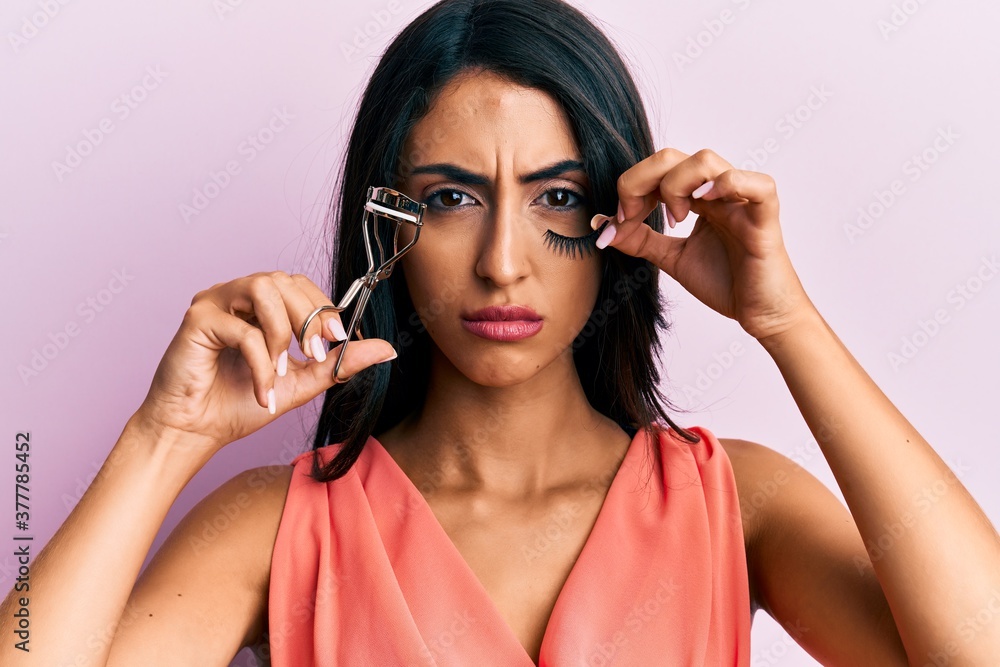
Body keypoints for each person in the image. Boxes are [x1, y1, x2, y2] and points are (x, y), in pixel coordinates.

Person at [3, 0, 999, 664]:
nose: (502, 260)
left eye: (556, 195)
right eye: (451, 199)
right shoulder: (277, 524)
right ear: (384, 220)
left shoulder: (735, 502)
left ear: (615, 217)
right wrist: (163, 437)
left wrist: (787, 323)